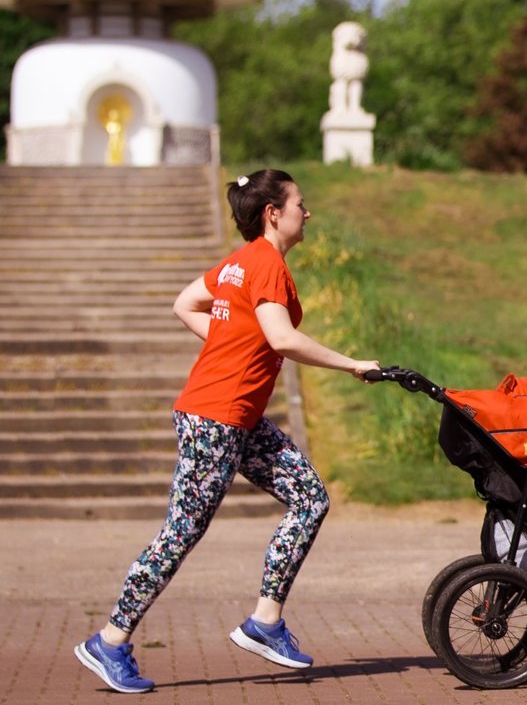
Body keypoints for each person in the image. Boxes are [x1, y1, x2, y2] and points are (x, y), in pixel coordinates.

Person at [74, 168, 379, 694]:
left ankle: (265, 621)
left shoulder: (240, 264)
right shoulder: (266, 266)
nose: (308, 213)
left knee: (309, 497)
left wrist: (232, 342)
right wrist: (352, 364)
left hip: (237, 418)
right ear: (273, 213)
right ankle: (112, 639)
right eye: (301, 204)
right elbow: (282, 339)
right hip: (215, 418)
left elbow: (185, 302)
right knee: (180, 534)